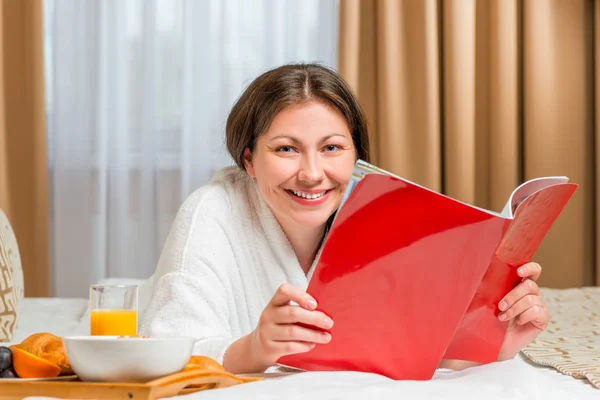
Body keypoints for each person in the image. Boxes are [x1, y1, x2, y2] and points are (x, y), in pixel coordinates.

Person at [139, 63, 549, 374]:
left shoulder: (381, 216)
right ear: (249, 159)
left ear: (357, 157)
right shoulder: (211, 212)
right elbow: (165, 355)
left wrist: (494, 343)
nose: (313, 173)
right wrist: (255, 348)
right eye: (286, 149)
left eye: (332, 148)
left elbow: (409, 354)